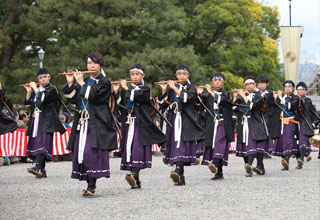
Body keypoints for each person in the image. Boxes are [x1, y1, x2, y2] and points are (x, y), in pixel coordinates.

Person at [63, 52, 118, 196]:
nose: (91, 65)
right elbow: (73, 99)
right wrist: (70, 83)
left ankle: (92, 185)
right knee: (81, 152)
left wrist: (81, 83)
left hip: (97, 123)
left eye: (94, 63)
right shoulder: (86, 79)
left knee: (91, 152)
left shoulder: (105, 81)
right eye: (89, 63)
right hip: (82, 122)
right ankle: (89, 184)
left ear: (100, 65)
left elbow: (95, 97)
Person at [114, 64, 166, 189]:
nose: (134, 76)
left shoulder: (145, 89)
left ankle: (134, 174)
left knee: (138, 148)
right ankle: (135, 178)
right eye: (132, 74)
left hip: (141, 123)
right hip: (128, 122)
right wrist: (116, 92)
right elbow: (118, 106)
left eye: (137, 74)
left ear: (143, 75)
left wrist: (126, 88)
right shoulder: (125, 90)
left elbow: (139, 98)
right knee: (129, 148)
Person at [158, 64, 205, 186]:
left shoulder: (191, 88)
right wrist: (164, 90)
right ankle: (180, 175)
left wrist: (174, 87)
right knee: (175, 145)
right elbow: (162, 105)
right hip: (173, 120)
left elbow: (186, 99)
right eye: (179, 74)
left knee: (183, 146)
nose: (181, 76)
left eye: (184, 74)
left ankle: (178, 170)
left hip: (186, 121)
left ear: (188, 75)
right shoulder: (171, 89)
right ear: (175, 75)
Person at [24, 68, 65, 178]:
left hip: (47, 119)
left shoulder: (52, 89)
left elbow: (43, 97)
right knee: (36, 142)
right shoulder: (37, 90)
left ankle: (37, 167)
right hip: (36, 119)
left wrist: (34, 87)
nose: (43, 79)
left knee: (43, 143)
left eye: (45, 77)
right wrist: (29, 92)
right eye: (40, 78)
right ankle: (42, 170)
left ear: (49, 77)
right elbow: (29, 104)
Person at [198, 72, 234, 180]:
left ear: (223, 83)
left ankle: (215, 162)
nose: (217, 82)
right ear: (212, 82)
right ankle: (219, 173)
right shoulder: (206, 95)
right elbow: (199, 107)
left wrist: (209, 91)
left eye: (220, 81)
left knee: (220, 143)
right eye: (215, 80)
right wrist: (199, 94)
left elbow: (222, 102)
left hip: (222, 122)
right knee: (212, 146)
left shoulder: (226, 94)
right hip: (211, 123)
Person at [234, 76, 268, 177]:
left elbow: (252, 106)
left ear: (254, 85)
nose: (249, 85)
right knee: (244, 144)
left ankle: (257, 166)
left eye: (251, 83)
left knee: (255, 144)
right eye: (247, 84)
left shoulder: (259, 96)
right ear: (244, 86)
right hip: (243, 122)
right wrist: (236, 96)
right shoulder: (240, 96)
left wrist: (243, 95)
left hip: (256, 122)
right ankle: (248, 166)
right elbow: (234, 109)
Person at [273, 80, 299, 170]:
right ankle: (284, 159)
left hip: (290, 121)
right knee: (281, 140)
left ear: (292, 88)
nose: (287, 88)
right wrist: (275, 97)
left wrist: (280, 97)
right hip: (280, 121)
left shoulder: (295, 98)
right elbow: (275, 107)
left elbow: (290, 106)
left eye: (289, 86)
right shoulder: (282, 96)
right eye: (286, 86)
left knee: (288, 139)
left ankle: (287, 160)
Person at [294, 82, 316, 169]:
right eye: (300, 89)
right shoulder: (294, 99)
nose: (301, 91)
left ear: (305, 91)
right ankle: (306, 154)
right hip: (294, 122)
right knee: (296, 142)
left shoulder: (308, 100)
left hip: (305, 122)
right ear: (297, 90)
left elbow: (313, 112)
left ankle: (301, 160)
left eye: (303, 89)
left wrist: (314, 122)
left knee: (303, 140)